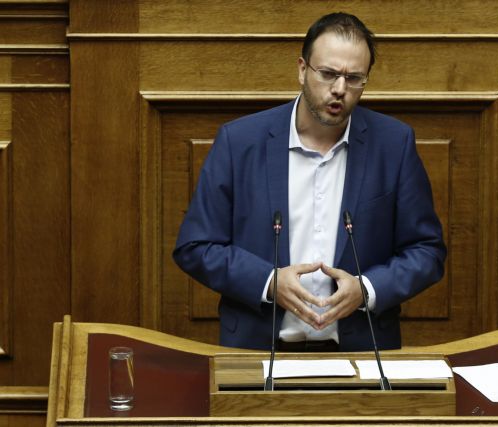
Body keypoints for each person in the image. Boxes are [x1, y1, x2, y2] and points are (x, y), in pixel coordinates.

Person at [173, 12, 446, 352]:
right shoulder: (239, 142)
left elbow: (426, 251)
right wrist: (268, 282)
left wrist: (367, 289)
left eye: (354, 78)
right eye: (328, 74)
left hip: (360, 350)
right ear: (302, 69)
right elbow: (196, 246)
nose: (340, 89)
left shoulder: (394, 145)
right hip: (259, 350)